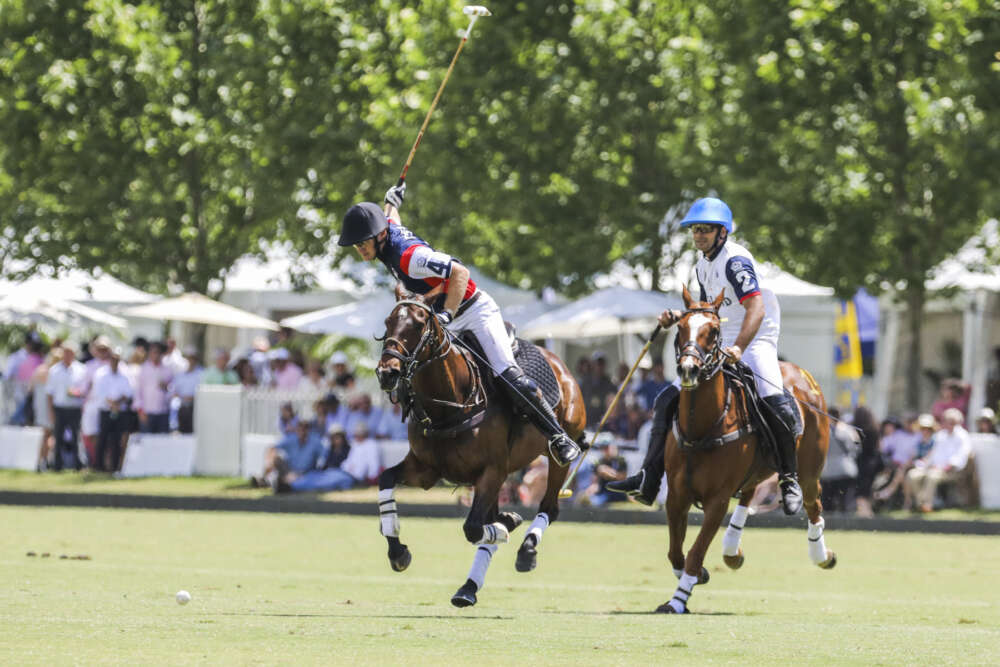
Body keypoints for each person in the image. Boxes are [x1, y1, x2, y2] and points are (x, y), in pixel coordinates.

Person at [337, 184, 581, 466]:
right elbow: (390, 217)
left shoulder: (411, 258)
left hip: (473, 309)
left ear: (380, 236)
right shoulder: (385, 233)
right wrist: (391, 200)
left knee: (504, 371)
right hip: (441, 313)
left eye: (362, 243)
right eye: (356, 245)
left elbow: (460, 272)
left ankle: (557, 436)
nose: (359, 249)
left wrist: (449, 315)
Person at [608, 197, 804, 514]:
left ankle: (790, 478)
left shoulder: (735, 261)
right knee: (666, 399)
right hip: (719, 338)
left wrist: (740, 347)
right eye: (696, 230)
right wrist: (678, 315)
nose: (699, 235)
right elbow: (706, 310)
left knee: (772, 398)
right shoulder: (702, 264)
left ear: (722, 232)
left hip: (756, 337)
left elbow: (756, 307)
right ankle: (649, 478)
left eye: (706, 230)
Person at [904, 408, 973, 513]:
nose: (948, 424)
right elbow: (933, 454)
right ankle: (921, 503)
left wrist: (944, 467)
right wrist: (925, 464)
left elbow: (960, 457)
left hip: (951, 471)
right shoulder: (941, 436)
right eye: (946, 421)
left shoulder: (963, 436)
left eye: (951, 422)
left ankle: (927, 505)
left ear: (957, 422)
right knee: (912, 475)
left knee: (932, 476)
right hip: (935, 468)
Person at [45, 345, 87, 471]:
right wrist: (51, 411)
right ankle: (57, 465)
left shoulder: (81, 369)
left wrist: (77, 393)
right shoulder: (54, 370)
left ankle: (78, 464)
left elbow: (85, 389)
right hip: (60, 408)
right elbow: (50, 393)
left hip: (75, 408)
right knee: (58, 437)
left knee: (76, 437)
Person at [93, 347, 134, 471]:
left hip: (119, 411)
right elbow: (100, 393)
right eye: (113, 358)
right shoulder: (101, 373)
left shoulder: (124, 374)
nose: (115, 361)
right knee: (102, 440)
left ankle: (115, 467)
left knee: (117, 440)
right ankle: (99, 467)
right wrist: (112, 403)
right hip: (106, 410)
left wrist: (118, 403)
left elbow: (128, 392)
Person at [820, 407, 860, 513]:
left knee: (828, 500)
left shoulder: (823, 430)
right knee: (846, 500)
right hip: (847, 468)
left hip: (828, 469)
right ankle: (846, 523)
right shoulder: (849, 430)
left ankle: (829, 524)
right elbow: (856, 448)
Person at [133, 341, 173, 434]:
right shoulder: (143, 370)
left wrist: (166, 387)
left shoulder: (167, 370)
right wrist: (140, 411)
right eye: (153, 352)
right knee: (147, 441)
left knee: (162, 442)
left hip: (163, 412)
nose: (156, 355)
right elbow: (137, 392)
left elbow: (173, 390)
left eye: (158, 352)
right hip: (147, 412)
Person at [171, 345, 202, 434]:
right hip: (183, 408)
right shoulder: (180, 374)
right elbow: (174, 391)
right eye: (189, 358)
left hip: (196, 408)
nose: (191, 361)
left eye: (193, 358)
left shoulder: (201, 373)